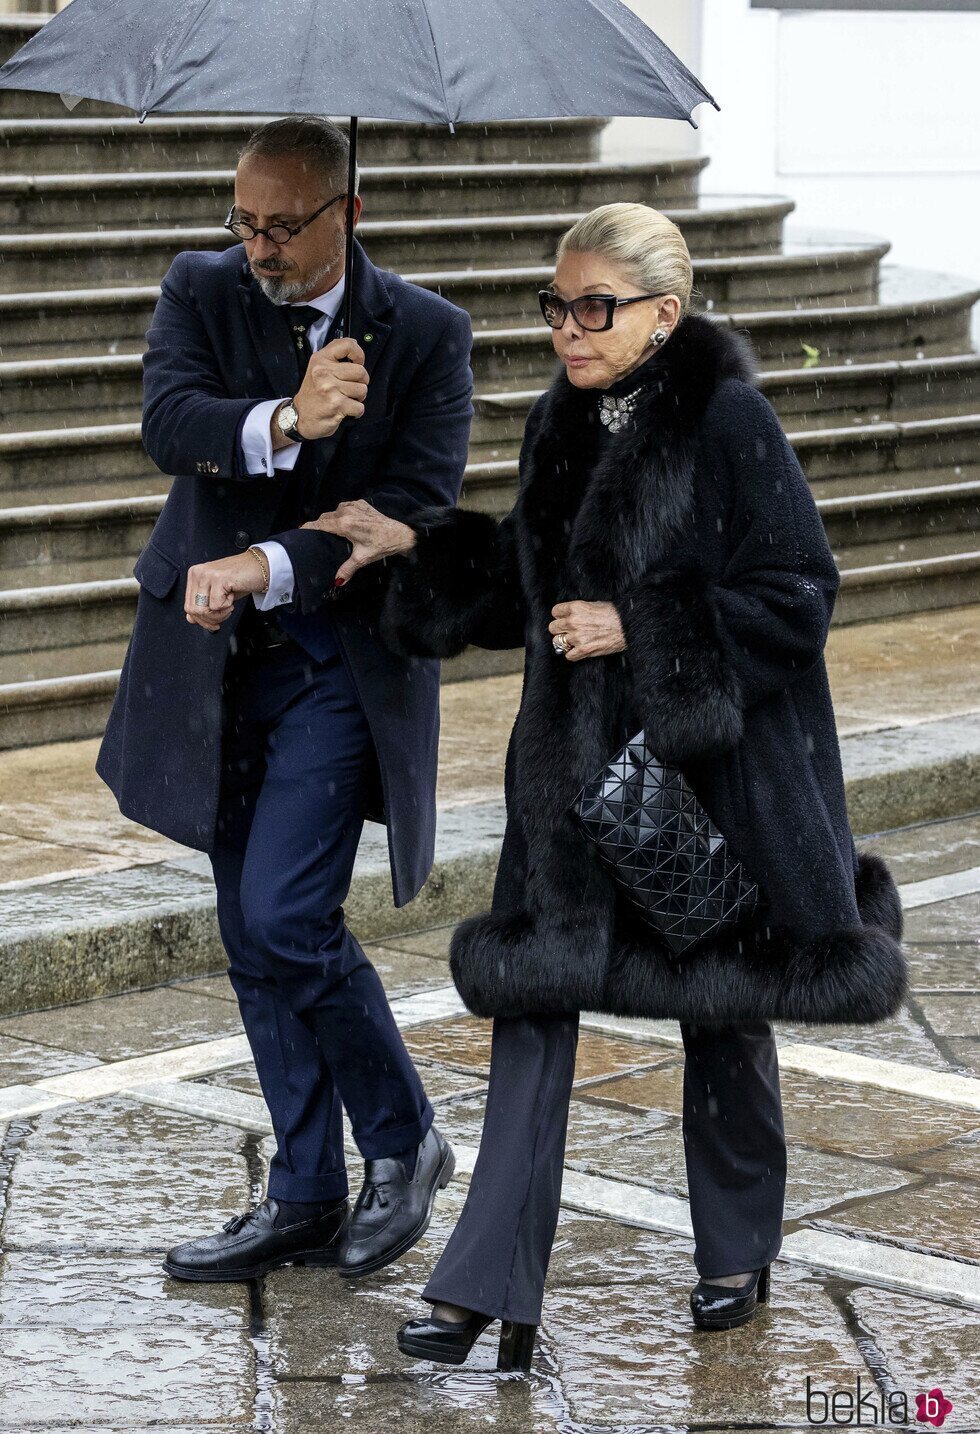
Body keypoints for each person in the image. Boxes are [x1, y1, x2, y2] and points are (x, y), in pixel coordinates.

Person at [298, 202, 908, 1368]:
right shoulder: (558, 422)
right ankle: (486, 1285)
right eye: (555, 307)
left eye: (594, 308)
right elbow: (529, 582)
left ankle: (736, 1245)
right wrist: (410, 550)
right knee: (534, 1007)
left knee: (722, 1012)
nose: (568, 330)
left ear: (662, 315)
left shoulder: (730, 421)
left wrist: (641, 625)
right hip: (573, 796)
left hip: (711, 793)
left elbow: (796, 595)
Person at [95, 115, 473, 1283]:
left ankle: (404, 1142)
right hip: (211, 668)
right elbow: (170, 420)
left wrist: (272, 562)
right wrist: (284, 420)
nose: (256, 247)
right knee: (246, 936)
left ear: (346, 215)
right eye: (243, 222)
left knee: (284, 917)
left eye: (281, 227)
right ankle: (304, 1186)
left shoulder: (424, 336)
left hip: (336, 668)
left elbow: (407, 507)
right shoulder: (199, 289)